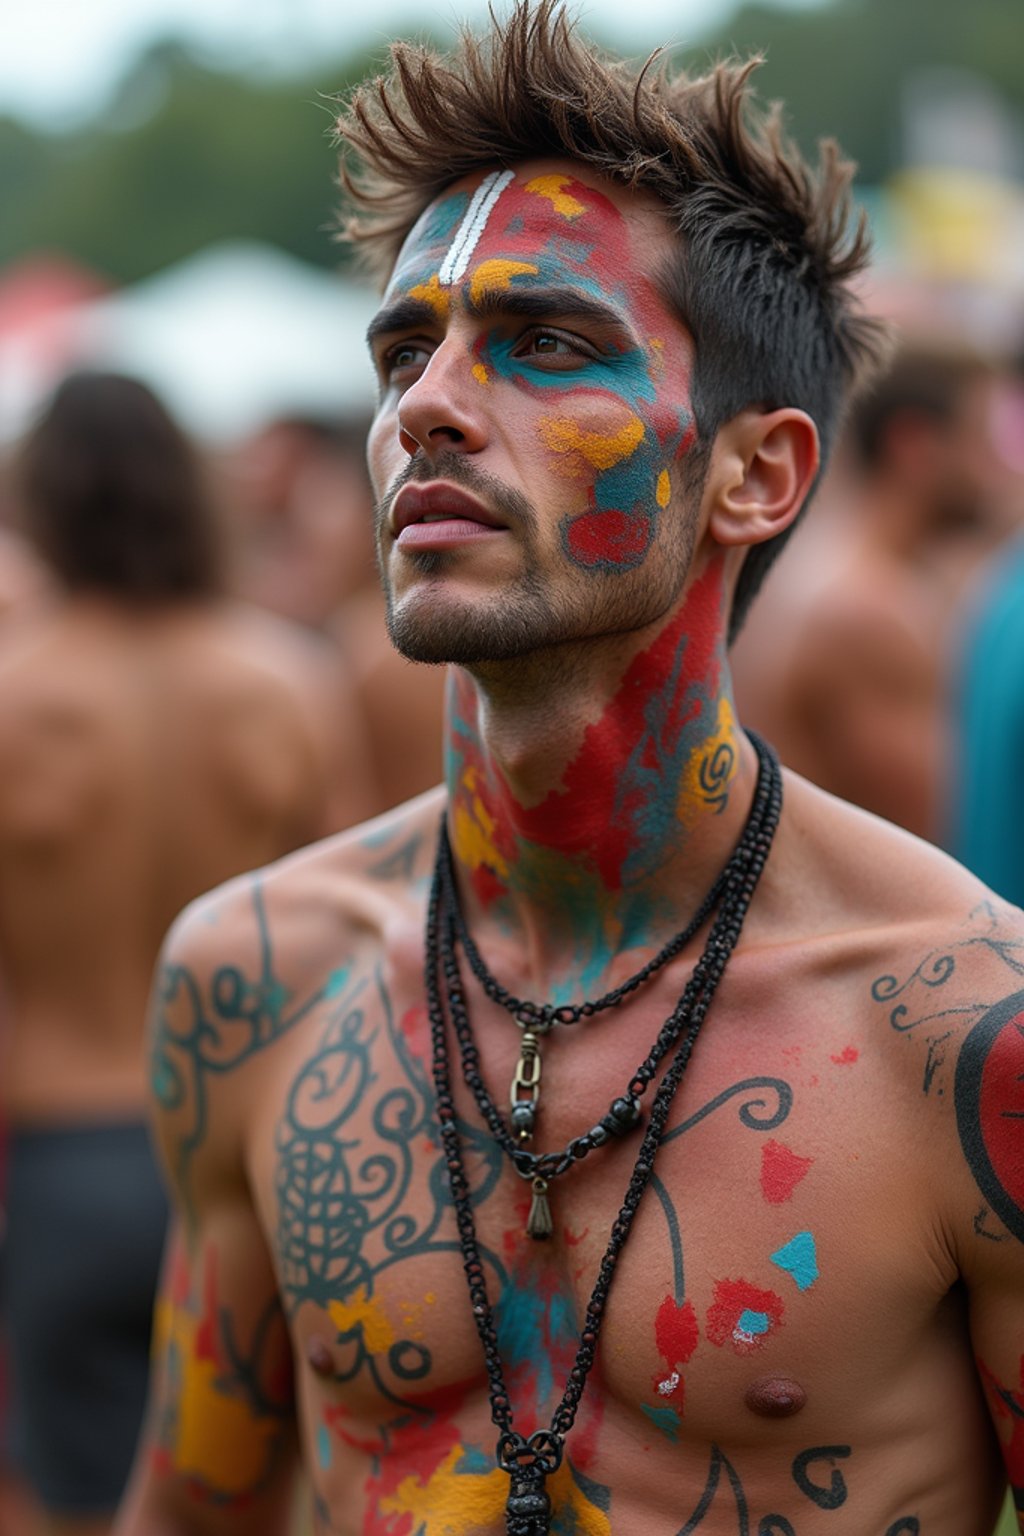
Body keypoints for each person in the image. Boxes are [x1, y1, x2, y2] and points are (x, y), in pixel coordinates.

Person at [116, 8, 1024, 1533]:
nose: (426, 407)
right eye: (406, 349)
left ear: (756, 472)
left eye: (544, 346)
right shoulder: (255, 984)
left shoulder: (959, 1040)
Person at [0, 371, 370, 1536]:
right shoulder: (291, 683)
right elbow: (363, 952)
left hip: (62, 1161)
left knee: (70, 1509)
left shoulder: (11, 701)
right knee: (268, 1503)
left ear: (41, 503)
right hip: (256, 1159)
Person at [732, 339, 1024, 844]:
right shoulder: (872, 615)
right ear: (915, 446)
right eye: (984, 441)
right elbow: (933, 851)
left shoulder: (809, 563)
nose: (1004, 470)